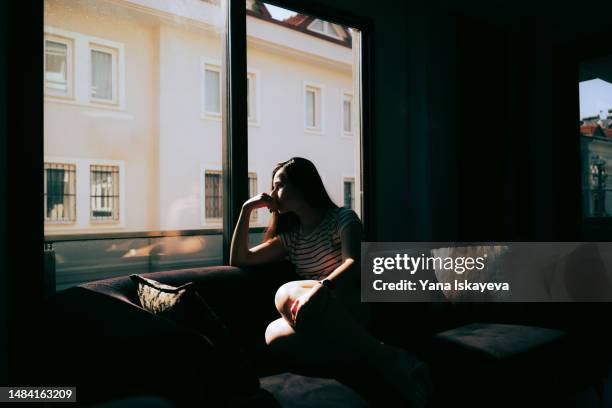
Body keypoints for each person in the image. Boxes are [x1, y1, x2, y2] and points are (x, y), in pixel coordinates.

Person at [229, 157, 432, 407]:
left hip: (349, 303)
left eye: (279, 185)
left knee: (284, 293)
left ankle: (388, 359)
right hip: (317, 315)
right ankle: (382, 359)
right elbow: (240, 259)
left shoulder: (342, 218)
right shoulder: (290, 239)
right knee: (274, 335)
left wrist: (323, 288)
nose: (273, 193)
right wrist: (246, 209)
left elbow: (354, 262)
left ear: (302, 185)